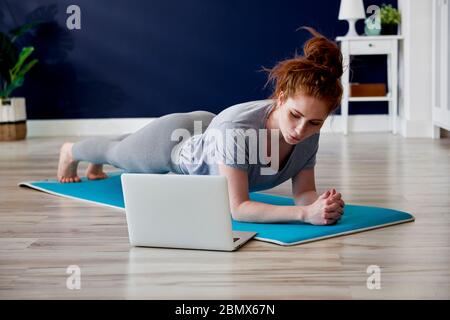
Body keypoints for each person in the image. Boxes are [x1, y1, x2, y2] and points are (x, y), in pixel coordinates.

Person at [57, 27, 345, 226]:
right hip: (174, 144)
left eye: (315, 123)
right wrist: (305, 215)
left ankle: (98, 160)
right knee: (117, 154)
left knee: (124, 147)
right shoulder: (238, 130)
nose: (301, 130)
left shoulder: (309, 131)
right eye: (295, 115)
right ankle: (71, 152)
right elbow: (239, 209)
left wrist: (322, 204)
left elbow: (304, 194)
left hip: (210, 132)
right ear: (281, 97)